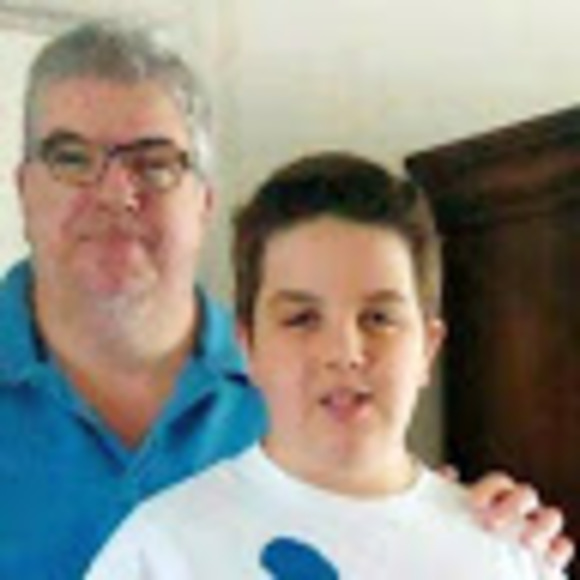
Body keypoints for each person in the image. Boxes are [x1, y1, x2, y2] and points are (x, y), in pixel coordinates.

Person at [0, 20, 572, 579]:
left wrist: (478, 533)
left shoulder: (308, 401)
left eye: (154, 164)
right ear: (23, 187)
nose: (114, 194)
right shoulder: (168, 529)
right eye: (71, 159)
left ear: (203, 201)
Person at [85, 151, 570, 579]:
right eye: (302, 319)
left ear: (428, 347)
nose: (343, 352)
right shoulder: (163, 548)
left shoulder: (507, 552)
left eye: (378, 318)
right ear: (248, 346)